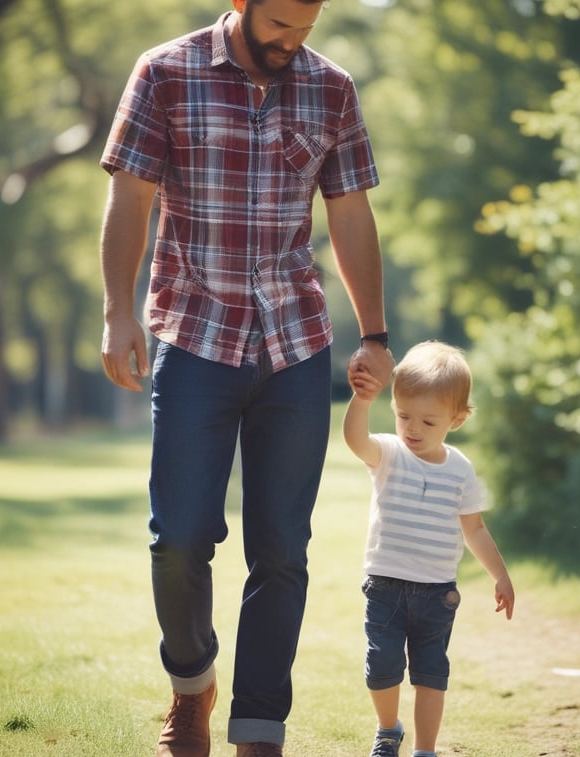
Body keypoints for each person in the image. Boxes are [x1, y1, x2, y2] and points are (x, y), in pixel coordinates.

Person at [98, 0, 395, 754]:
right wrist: (117, 312)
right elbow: (130, 195)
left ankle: (260, 727)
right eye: (279, 25)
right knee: (179, 538)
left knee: (282, 550)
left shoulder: (331, 88)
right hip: (194, 334)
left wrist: (375, 334)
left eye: (306, 27)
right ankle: (191, 685)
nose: (292, 41)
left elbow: (350, 213)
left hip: (296, 344)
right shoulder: (165, 72)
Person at [343, 342, 515, 757]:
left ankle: (425, 749)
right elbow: (355, 439)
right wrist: (361, 399)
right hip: (385, 587)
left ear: (457, 419)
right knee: (381, 668)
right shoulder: (389, 453)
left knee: (431, 674)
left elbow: (475, 529)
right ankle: (389, 729)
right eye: (403, 415)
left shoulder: (460, 471)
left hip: (437, 593)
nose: (413, 429)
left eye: (428, 420)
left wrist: (500, 575)